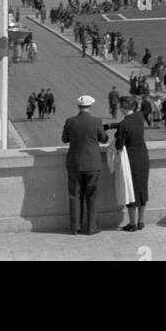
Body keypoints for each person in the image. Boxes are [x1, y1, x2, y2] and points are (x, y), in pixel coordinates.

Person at [61, 95, 107, 236]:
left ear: (78, 106)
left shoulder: (70, 121)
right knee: (91, 196)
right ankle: (91, 228)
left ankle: (75, 227)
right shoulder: (96, 121)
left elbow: (64, 139)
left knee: (74, 195)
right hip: (93, 163)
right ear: (90, 106)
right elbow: (103, 139)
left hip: (75, 163)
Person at [114, 96, 149, 233]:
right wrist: (113, 125)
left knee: (131, 189)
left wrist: (117, 133)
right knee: (142, 188)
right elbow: (129, 123)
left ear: (123, 108)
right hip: (143, 156)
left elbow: (119, 145)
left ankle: (132, 223)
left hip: (131, 159)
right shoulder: (139, 117)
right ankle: (141, 221)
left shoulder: (124, 125)